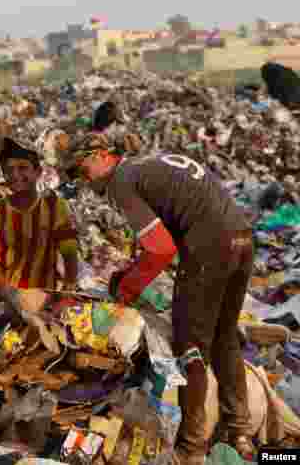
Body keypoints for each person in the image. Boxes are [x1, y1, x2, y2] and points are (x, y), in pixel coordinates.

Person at [62, 133, 255, 464]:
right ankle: (240, 432)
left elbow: (161, 250)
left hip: (209, 248)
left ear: (101, 155)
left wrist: (128, 289)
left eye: (82, 171)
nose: (84, 182)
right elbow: (164, 234)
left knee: (189, 349)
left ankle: (190, 449)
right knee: (224, 336)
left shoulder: (121, 181)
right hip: (242, 239)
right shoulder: (145, 166)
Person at [0, 137, 80, 296]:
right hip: (9, 296)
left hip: (45, 295)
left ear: (38, 172)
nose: (15, 175)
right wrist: (7, 292)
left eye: (22, 168)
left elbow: (69, 250)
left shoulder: (54, 206)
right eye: (8, 170)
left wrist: (68, 288)